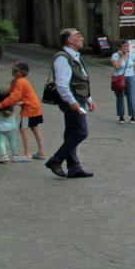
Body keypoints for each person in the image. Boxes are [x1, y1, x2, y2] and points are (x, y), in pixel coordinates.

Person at [46, 27, 95, 179]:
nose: (82, 38)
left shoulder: (75, 56)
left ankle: (74, 167)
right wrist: (72, 101)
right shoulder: (63, 57)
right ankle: (55, 160)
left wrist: (88, 98)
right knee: (81, 132)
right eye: (78, 35)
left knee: (71, 132)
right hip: (71, 99)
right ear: (69, 40)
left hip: (79, 98)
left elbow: (80, 78)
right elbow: (62, 83)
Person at [0, 61, 45, 161]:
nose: (13, 72)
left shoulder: (20, 81)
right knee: (35, 128)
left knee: (23, 129)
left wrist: (0, 105)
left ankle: (27, 154)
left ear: (22, 72)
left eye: (16, 71)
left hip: (29, 109)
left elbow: (14, 97)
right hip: (35, 107)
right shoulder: (20, 81)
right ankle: (41, 152)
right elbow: (12, 92)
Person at [111, 40, 135, 123]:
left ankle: (133, 116)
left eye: (127, 46)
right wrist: (121, 57)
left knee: (131, 96)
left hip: (130, 77)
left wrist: (134, 66)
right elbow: (117, 66)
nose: (126, 48)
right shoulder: (115, 55)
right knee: (120, 97)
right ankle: (121, 116)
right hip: (119, 77)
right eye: (124, 46)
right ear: (119, 48)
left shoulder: (131, 55)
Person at [0, 90, 21, 164]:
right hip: (10, 127)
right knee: (12, 141)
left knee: (1, 141)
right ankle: (15, 155)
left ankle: (4, 156)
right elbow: (10, 113)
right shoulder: (10, 107)